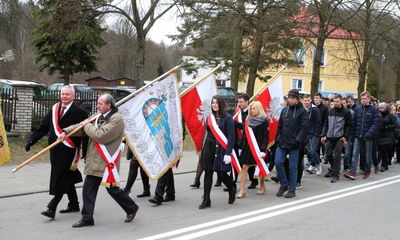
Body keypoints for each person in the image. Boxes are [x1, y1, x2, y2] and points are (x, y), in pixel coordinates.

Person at [59, 93, 139, 227]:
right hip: (95, 160)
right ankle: (87, 218)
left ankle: (131, 207)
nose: (97, 106)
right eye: (97, 103)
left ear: (109, 105)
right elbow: (82, 127)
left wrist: (86, 125)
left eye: (100, 104)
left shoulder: (117, 119)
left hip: (107, 161)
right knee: (88, 189)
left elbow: (101, 136)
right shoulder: (98, 116)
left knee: (112, 189)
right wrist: (66, 132)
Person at [26, 85, 88, 219]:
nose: (64, 96)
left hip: (69, 150)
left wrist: (86, 152)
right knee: (66, 177)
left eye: (67, 94)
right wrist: (31, 140)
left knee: (61, 177)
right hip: (55, 150)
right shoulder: (55, 109)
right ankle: (74, 204)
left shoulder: (79, 112)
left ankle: (51, 207)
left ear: (73, 96)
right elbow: (44, 126)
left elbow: (85, 132)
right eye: (63, 94)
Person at [198, 95, 236, 209]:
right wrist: (202, 150)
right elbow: (206, 134)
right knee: (208, 172)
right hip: (209, 148)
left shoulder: (228, 118)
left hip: (221, 149)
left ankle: (231, 189)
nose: (214, 105)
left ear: (221, 104)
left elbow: (231, 137)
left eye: (216, 103)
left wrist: (228, 152)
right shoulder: (209, 118)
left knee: (222, 174)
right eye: (213, 103)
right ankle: (206, 198)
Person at [274, 89, 308, 198]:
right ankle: (283, 184)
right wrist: (277, 138)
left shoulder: (302, 112)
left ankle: (292, 188)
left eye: (293, 98)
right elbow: (279, 126)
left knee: (293, 166)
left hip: (294, 143)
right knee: (278, 162)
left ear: (297, 99)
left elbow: (303, 129)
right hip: (283, 141)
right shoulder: (285, 110)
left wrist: (297, 140)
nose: (290, 100)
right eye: (289, 98)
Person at [149, 115, 185, 205]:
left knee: (164, 168)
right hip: (163, 142)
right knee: (167, 168)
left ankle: (158, 196)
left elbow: (181, 130)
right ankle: (170, 193)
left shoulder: (176, 110)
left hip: (172, 143)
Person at [344, 91, 380, 180]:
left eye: (364, 99)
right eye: (362, 99)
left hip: (368, 137)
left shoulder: (373, 110)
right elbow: (354, 122)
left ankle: (367, 171)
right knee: (355, 154)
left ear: (369, 99)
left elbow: (375, 123)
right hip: (358, 135)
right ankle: (352, 172)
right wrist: (352, 135)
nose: (363, 100)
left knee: (368, 155)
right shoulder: (358, 109)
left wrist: (369, 134)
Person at [237, 101, 269, 198]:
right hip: (248, 147)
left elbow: (265, 136)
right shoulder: (248, 119)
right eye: (251, 108)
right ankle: (242, 190)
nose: (252, 110)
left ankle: (262, 185)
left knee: (259, 166)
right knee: (244, 168)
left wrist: (263, 150)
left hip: (259, 148)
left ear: (258, 109)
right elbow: (245, 135)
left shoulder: (264, 121)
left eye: (254, 108)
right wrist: (240, 146)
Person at [321, 94, 353, 183]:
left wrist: (345, 137)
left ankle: (335, 174)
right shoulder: (330, 112)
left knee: (337, 156)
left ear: (341, 101)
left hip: (339, 137)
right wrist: (324, 135)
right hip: (330, 137)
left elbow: (350, 126)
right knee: (328, 154)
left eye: (337, 101)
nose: (335, 103)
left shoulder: (346, 112)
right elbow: (326, 124)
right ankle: (333, 168)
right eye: (334, 101)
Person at [234, 93, 259, 190]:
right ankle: (233, 182)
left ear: (247, 102)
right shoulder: (237, 112)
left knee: (248, 163)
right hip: (239, 140)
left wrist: (235, 123)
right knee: (238, 161)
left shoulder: (250, 113)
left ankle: (254, 180)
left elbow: (246, 127)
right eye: (238, 102)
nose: (239, 104)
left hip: (248, 141)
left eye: (241, 102)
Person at [303, 94, 322, 175]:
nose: (306, 102)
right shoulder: (302, 109)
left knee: (312, 151)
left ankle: (318, 164)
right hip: (303, 134)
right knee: (302, 152)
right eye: (305, 100)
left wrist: (315, 134)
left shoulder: (314, 110)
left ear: (310, 100)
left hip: (312, 134)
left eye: (308, 100)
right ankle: (302, 170)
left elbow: (318, 122)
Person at [377, 103, 397, 172]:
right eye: (380, 108)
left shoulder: (390, 116)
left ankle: (384, 165)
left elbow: (395, 124)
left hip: (388, 135)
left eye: (382, 108)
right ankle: (383, 164)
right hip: (380, 135)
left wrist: (387, 127)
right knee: (380, 150)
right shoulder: (378, 115)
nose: (381, 110)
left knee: (384, 149)